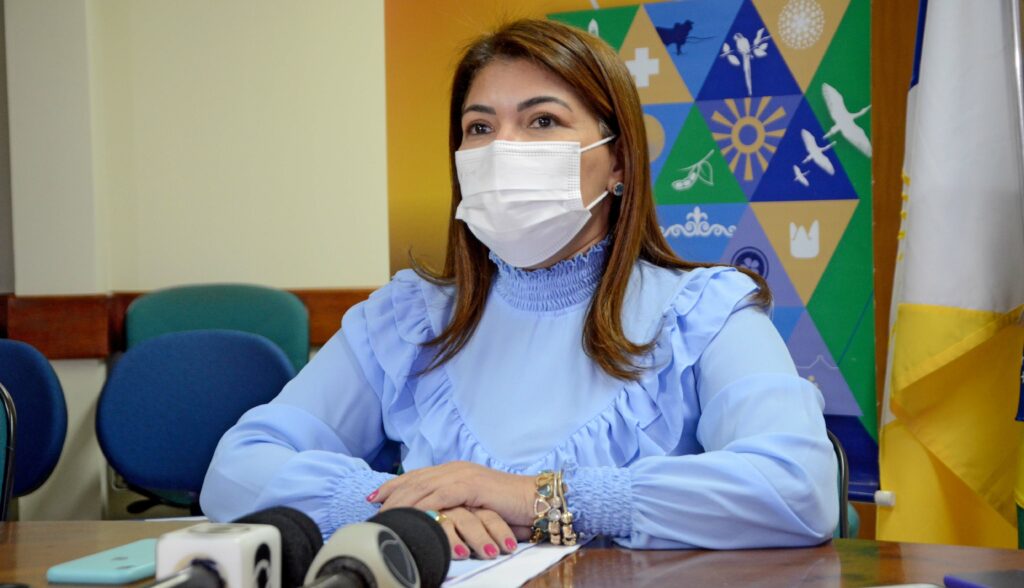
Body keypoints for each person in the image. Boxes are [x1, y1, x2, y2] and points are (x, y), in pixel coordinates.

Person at [201, 18, 838, 558]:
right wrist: (401, 510)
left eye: (542, 121)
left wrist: (539, 499)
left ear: (618, 161)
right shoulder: (407, 318)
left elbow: (799, 487)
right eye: (480, 128)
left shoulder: (706, 311)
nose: (502, 149)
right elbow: (237, 467)